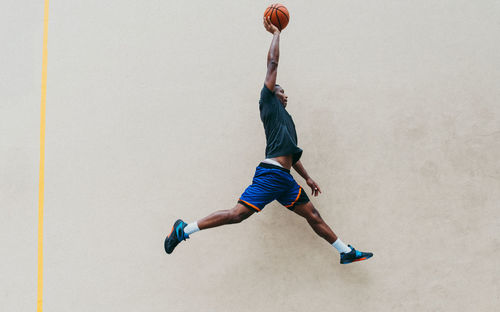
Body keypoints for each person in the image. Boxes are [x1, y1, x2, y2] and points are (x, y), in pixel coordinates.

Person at [164, 17, 373, 264]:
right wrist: (277, 34)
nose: (285, 94)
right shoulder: (268, 104)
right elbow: (272, 64)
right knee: (237, 214)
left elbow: (291, 153)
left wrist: (306, 177)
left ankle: (345, 251)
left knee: (313, 215)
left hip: (285, 179)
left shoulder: (288, 119)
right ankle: (183, 229)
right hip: (271, 175)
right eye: (281, 90)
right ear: (272, 92)